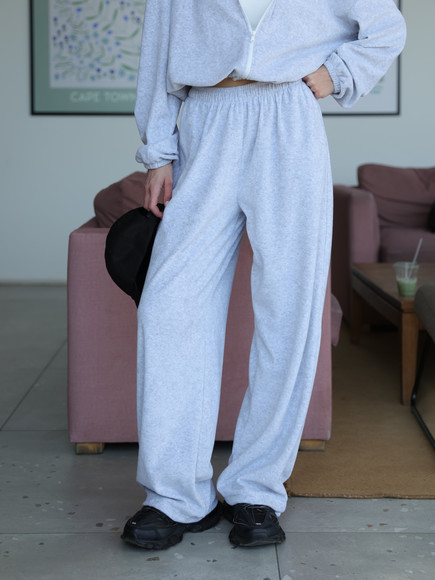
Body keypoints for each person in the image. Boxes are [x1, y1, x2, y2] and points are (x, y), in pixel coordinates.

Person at [121, 0, 406, 550]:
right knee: (170, 308)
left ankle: (256, 488)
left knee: (289, 309)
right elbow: (157, 50)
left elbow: (386, 27)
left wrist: (337, 74)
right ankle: (174, 495)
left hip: (288, 118)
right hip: (205, 118)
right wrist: (157, 153)